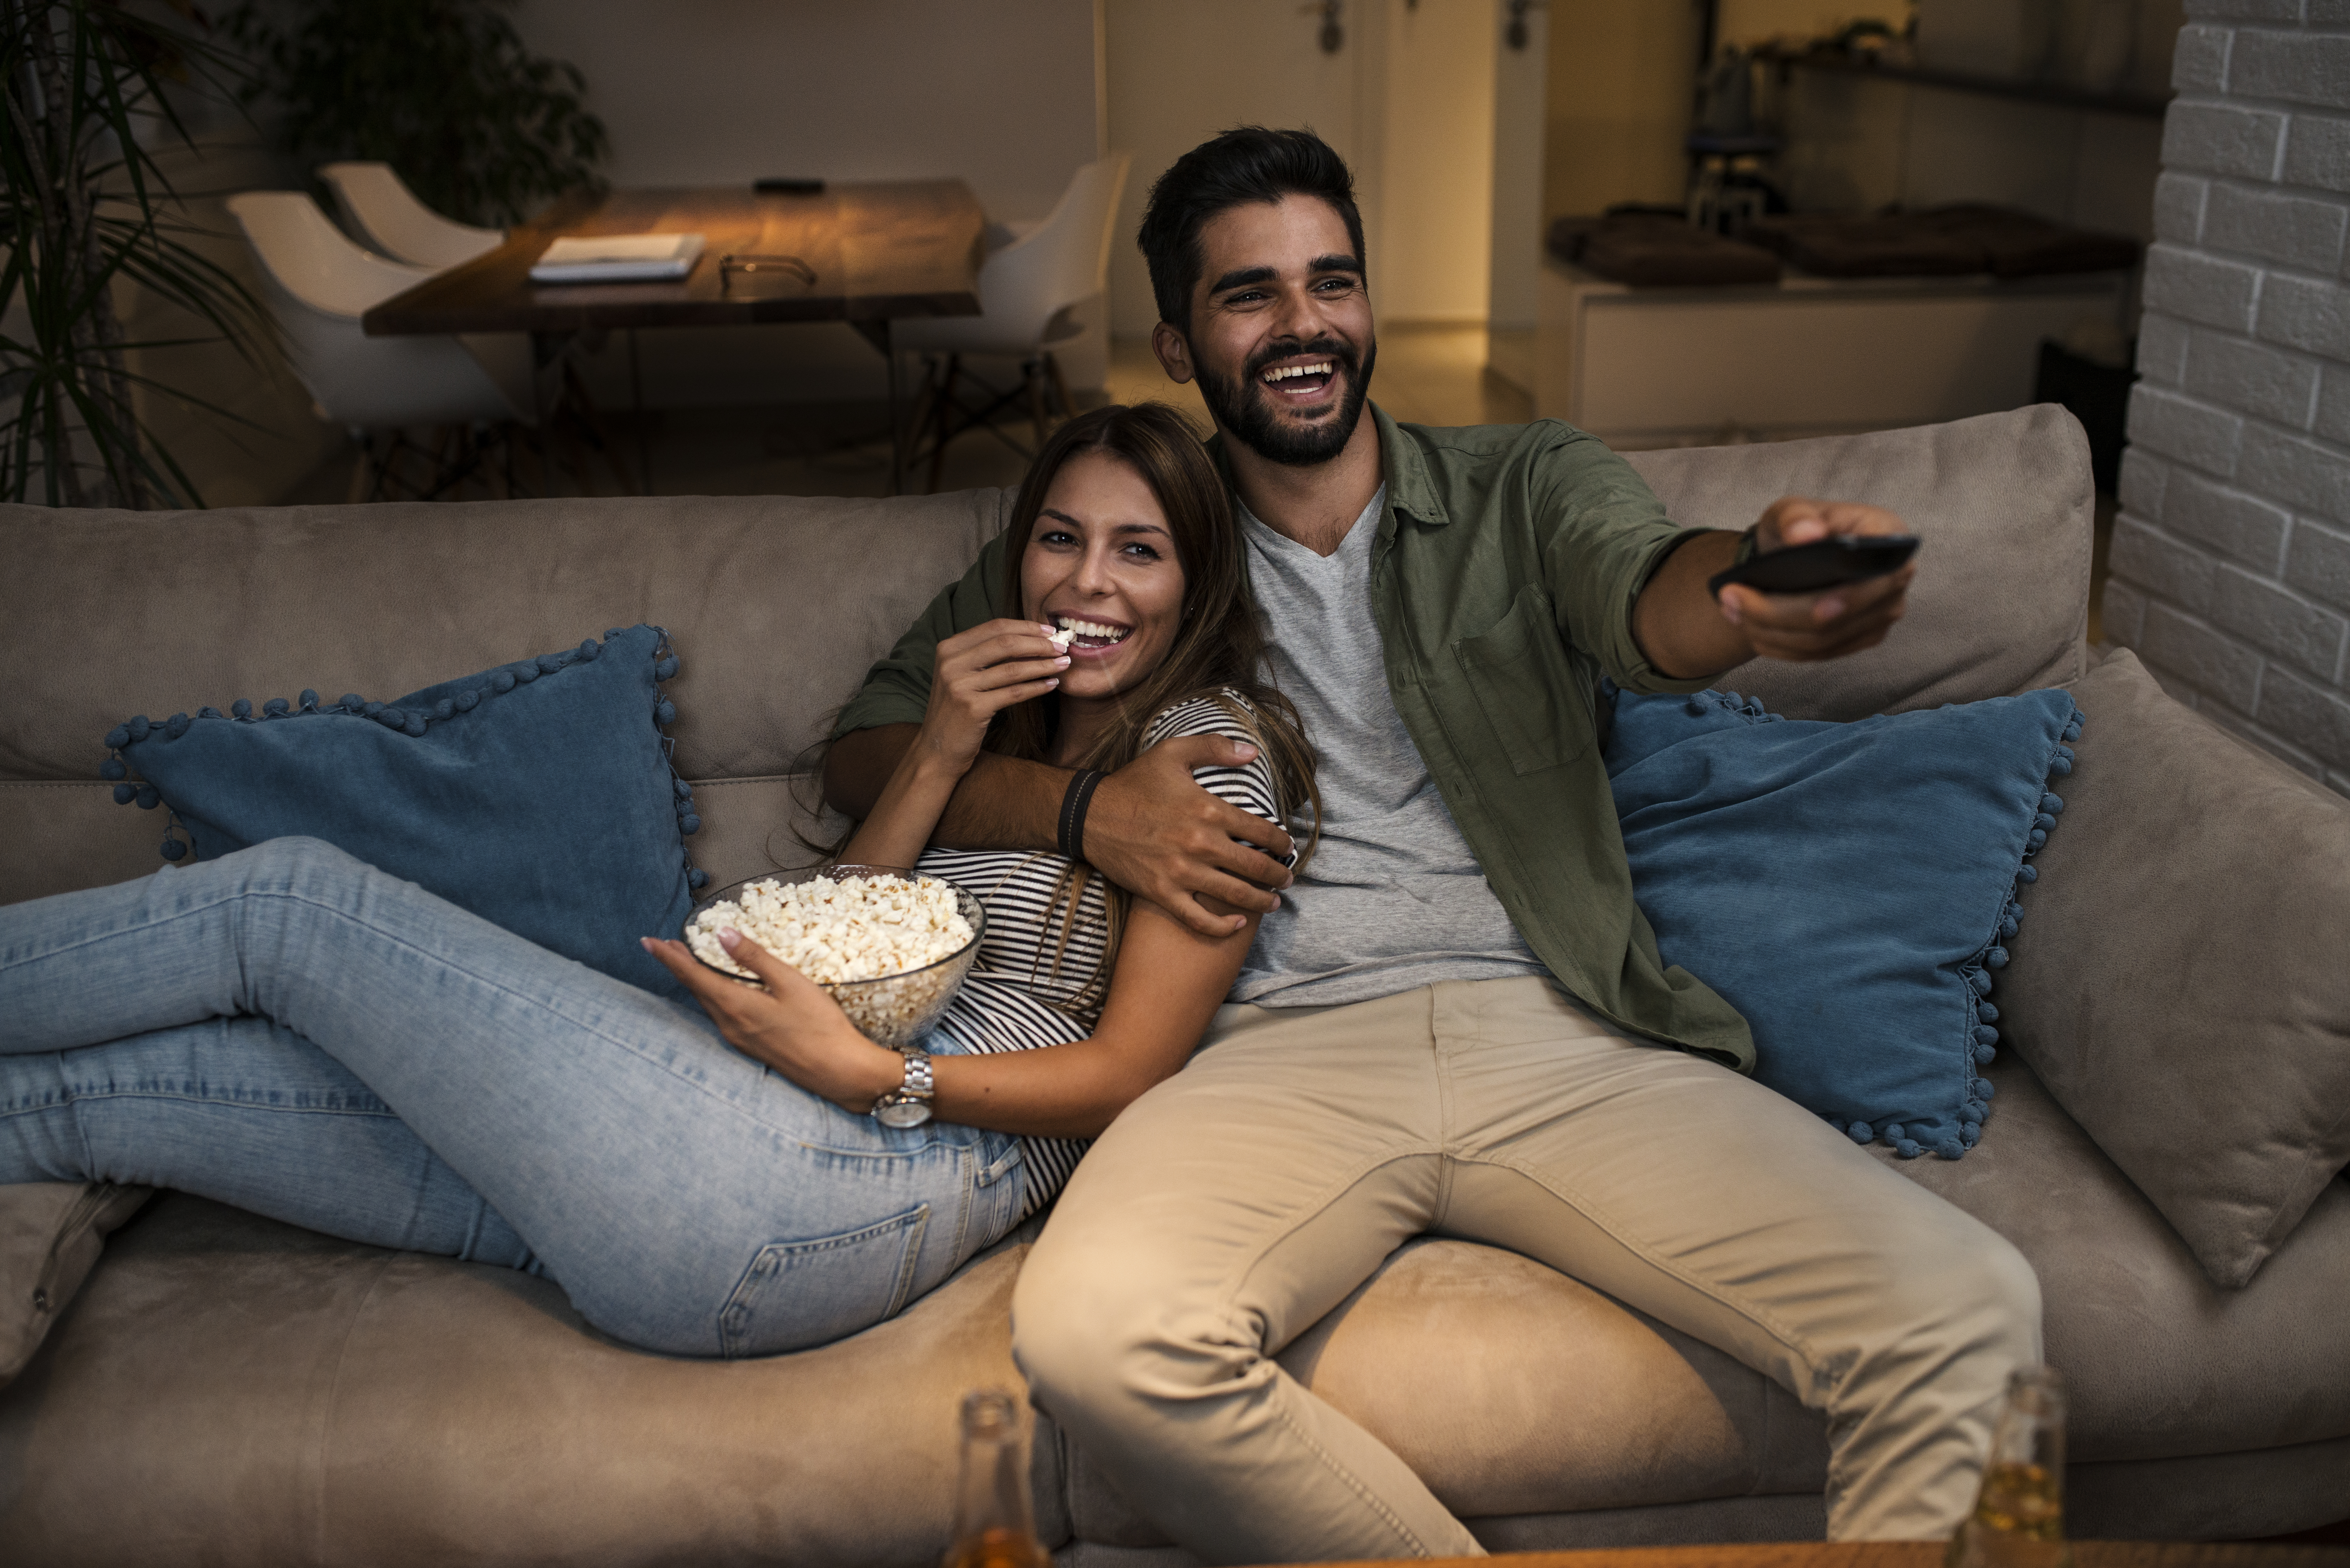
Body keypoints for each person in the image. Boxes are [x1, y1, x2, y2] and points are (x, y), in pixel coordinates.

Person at [823, 128, 2042, 1561]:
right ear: (1179, 344)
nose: (1305, 324)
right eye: (1251, 295)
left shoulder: (1524, 482)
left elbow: (1649, 594)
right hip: (1264, 1055)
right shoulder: (1137, 525)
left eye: (1332, 282)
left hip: (1558, 1033)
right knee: (1101, 1339)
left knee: (1970, 1310)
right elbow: (874, 745)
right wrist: (1089, 811)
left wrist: (1752, 585)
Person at [0, 401, 1315, 1361]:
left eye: (1139, 551)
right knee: (75, 1105)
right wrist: (944, 744)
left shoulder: (1209, 756)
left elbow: (1130, 1071)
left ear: (1196, 580)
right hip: (683, 1151)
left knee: (284, 903)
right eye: (1061, 539)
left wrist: (883, 1076)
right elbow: (840, 929)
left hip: (846, 1182)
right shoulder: (1015, 732)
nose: (1087, 582)